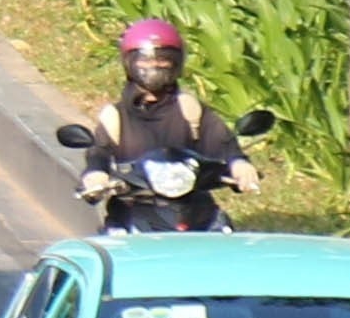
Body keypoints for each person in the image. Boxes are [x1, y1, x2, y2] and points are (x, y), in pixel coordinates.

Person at [82, 14, 260, 217]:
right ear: (130, 63)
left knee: (223, 232)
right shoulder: (115, 117)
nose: (154, 66)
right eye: (145, 60)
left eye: (163, 60)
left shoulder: (189, 109)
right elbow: (99, 153)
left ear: (176, 63)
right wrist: (96, 175)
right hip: (134, 207)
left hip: (193, 207)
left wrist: (239, 164)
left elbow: (222, 143)